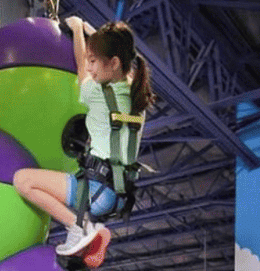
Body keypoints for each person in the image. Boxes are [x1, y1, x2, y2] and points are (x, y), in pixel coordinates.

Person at [13, 17, 155, 256]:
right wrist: (94, 33)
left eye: (94, 61)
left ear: (114, 62)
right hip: (118, 194)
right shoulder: (135, 93)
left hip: (96, 191)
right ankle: (92, 224)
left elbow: (81, 68)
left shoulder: (101, 96)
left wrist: (78, 30)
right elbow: (119, 54)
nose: (91, 67)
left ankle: (77, 226)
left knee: (22, 180)